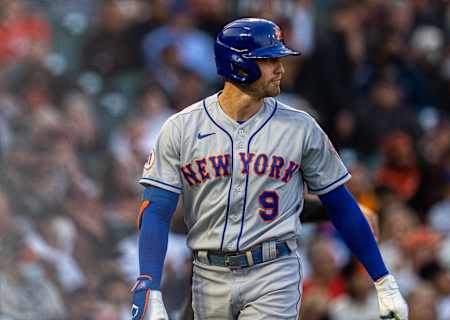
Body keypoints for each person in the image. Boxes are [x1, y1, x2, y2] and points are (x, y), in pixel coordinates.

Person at [131, 18, 408, 320]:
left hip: (274, 271)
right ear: (238, 63)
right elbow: (156, 209)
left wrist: (384, 280)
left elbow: (338, 202)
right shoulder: (182, 127)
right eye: (268, 60)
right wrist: (149, 284)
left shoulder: (301, 127)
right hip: (207, 274)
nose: (280, 68)